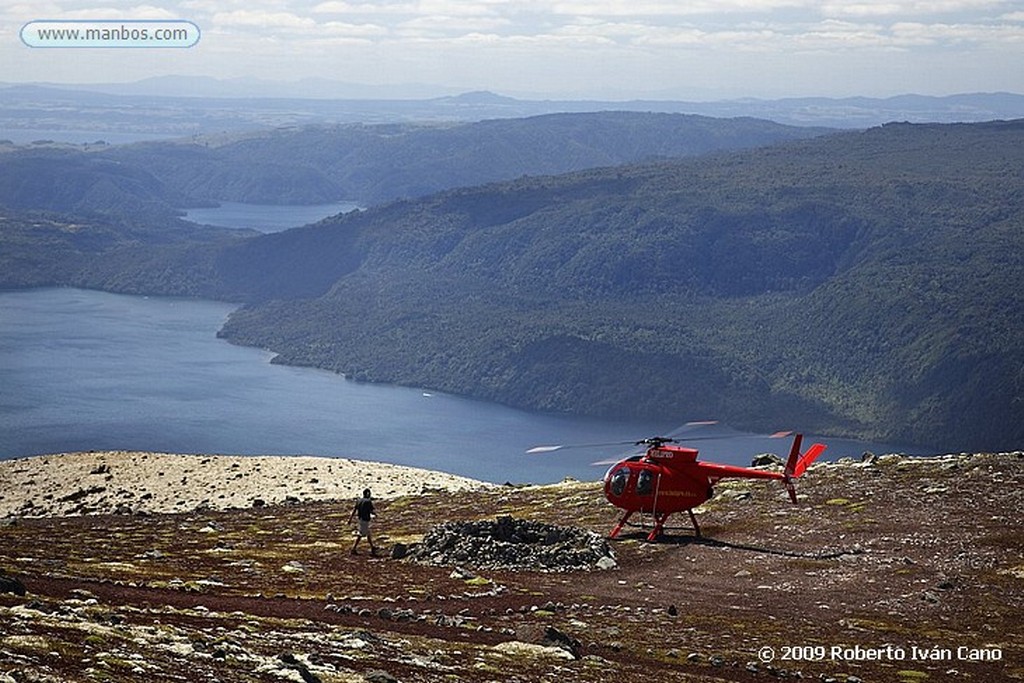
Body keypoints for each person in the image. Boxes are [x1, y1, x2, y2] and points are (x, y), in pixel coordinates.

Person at [349, 488, 378, 556]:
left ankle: (372, 547)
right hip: (365, 520)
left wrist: (350, 519)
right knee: (361, 535)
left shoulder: (359, 501)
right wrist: (375, 514)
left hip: (360, 519)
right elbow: (371, 510)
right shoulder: (368, 501)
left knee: (368, 534)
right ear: (368, 494)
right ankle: (353, 549)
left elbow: (354, 510)